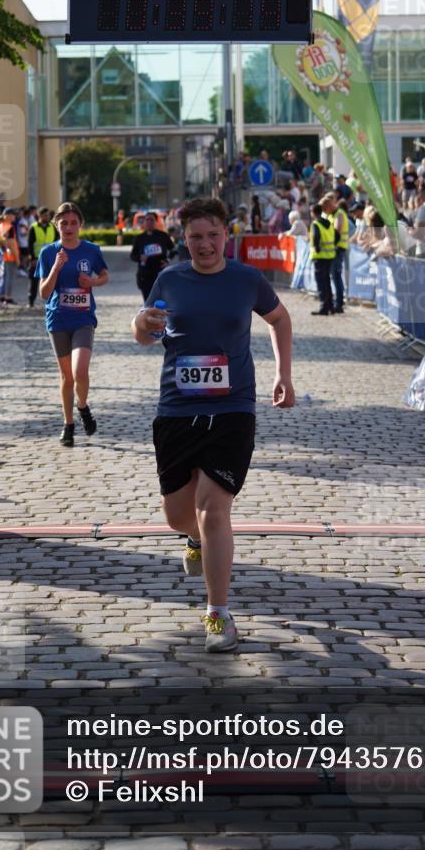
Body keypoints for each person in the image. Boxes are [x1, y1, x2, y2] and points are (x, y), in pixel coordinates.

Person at [131, 197, 294, 653]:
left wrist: (283, 375)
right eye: (196, 237)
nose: (205, 244)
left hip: (233, 410)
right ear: (184, 239)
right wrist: (140, 323)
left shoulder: (246, 279)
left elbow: (280, 319)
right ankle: (193, 539)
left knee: (214, 509)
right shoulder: (170, 279)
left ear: (227, 235)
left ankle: (218, 614)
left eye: (213, 235)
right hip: (176, 410)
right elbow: (146, 335)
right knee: (178, 516)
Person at [37, 202, 109, 447]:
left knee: (80, 370)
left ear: (81, 225)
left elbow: (104, 275)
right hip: (58, 319)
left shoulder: (91, 250)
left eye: (73, 223)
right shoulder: (48, 253)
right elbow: (44, 293)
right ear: (56, 225)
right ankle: (68, 424)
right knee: (67, 377)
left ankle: (83, 406)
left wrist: (93, 282)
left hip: (83, 318)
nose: (69, 227)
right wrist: (56, 268)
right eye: (64, 223)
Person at [130, 212, 174, 300]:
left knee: (161, 301)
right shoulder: (139, 238)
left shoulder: (163, 236)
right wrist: (140, 257)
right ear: (144, 222)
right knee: (148, 302)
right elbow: (132, 255)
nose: (149, 222)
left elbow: (173, 250)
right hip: (144, 275)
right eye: (147, 220)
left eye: (152, 220)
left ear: (156, 222)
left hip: (160, 273)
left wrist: (167, 260)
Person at [321, 191, 348, 313]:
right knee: (334, 276)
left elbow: (337, 232)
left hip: (338, 249)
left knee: (336, 276)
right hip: (334, 249)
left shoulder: (339, 214)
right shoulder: (332, 214)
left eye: (325, 209)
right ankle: (335, 302)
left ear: (329, 206)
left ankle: (339, 304)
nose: (324, 212)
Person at [309, 201, 337, 315]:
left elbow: (316, 237)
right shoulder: (329, 223)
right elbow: (337, 235)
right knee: (327, 282)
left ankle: (324, 307)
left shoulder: (316, 224)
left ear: (313, 213)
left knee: (321, 283)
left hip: (319, 257)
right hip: (330, 256)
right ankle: (330, 306)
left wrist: (317, 248)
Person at [27, 207, 58, 308]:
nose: (47, 217)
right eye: (45, 215)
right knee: (34, 281)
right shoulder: (33, 227)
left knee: (51, 280)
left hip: (50, 259)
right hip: (36, 259)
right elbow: (30, 244)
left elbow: (56, 242)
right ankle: (31, 301)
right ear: (39, 216)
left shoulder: (52, 227)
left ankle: (51, 301)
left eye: (48, 215)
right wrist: (32, 258)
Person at [0, 208, 20, 304]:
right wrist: (17, 258)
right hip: (10, 256)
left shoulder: (1, 225)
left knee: (4, 277)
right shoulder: (9, 227)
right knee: (9, 277)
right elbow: (11, 243)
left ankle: (3, 296)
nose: (14, 216)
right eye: (13, 214)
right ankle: (8, 297)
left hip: (2, 255)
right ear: (7, 216)